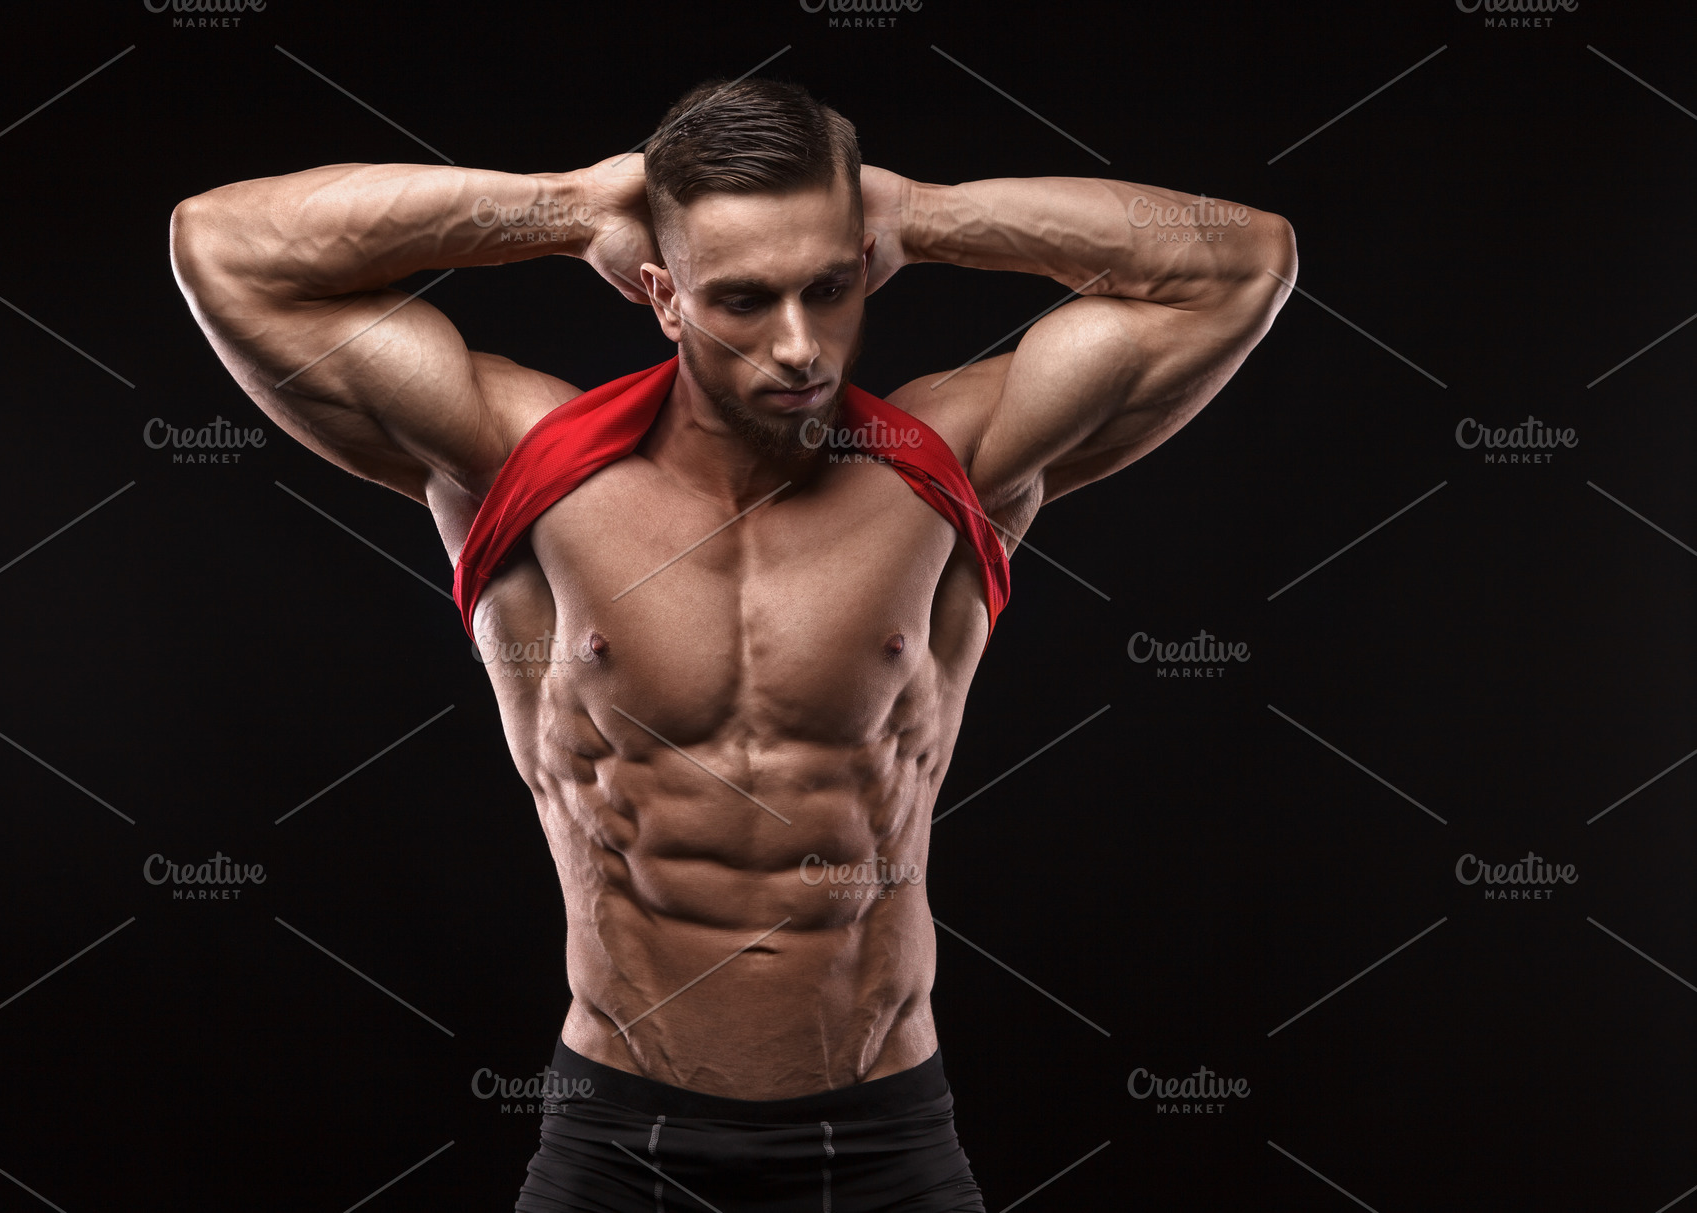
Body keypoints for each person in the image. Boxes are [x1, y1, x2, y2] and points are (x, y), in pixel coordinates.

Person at [169, 76, 1294, 1213]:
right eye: (744, 299)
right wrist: (567, 206)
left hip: (884, 1142)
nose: (800, 346)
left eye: (829, 286)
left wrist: (924, 216)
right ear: (662, 293)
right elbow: (228, 245)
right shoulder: (525, 462)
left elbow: (1236, 262)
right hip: (617, 1143)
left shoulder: (951, 463)